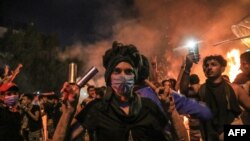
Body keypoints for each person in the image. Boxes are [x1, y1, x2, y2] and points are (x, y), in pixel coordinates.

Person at [53, 41, 184, 141]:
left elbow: (182, 139)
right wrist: (68, 112)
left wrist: (171, 110)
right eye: (117, 71)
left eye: (128, 72)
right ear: (109, 77)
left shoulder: (148, 107)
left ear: (135, 77)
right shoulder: (97, 109)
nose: (123, 76)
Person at [181, 54, 250, 141]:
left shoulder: (235, 89)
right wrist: (187, 68)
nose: (209, 67)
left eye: (213, 64)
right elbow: (184, 91)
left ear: (222, 68)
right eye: (206, 65)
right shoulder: (200, 89)